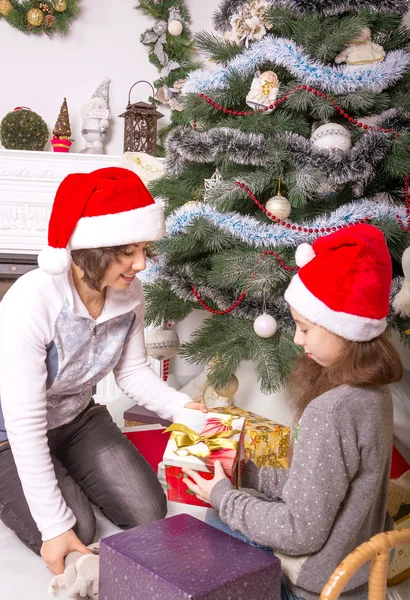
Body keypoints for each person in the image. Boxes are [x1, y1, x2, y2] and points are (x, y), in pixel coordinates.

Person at [0, 167, 206, 576]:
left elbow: (132, 373)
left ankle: (64, 467)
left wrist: (186, 410)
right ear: (91, 248)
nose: (141, 264)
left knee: (148, 510)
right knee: (76, 527)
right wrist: (54, 527)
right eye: (127, 252)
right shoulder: (32, 300)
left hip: (76, 418)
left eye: (144, 249)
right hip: (9, 436)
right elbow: (23, 422)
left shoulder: (129, 293)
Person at [183, 224, 403, 600]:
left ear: (341, 328)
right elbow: (322, 486)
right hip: (358, 568)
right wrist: (247, 473)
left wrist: (222, 495)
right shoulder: (375, 392)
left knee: (218, 520)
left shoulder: (329, 411)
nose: (298, 340)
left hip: (317, 583)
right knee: (238, 505)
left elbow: (300, 531)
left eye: (304, 328)